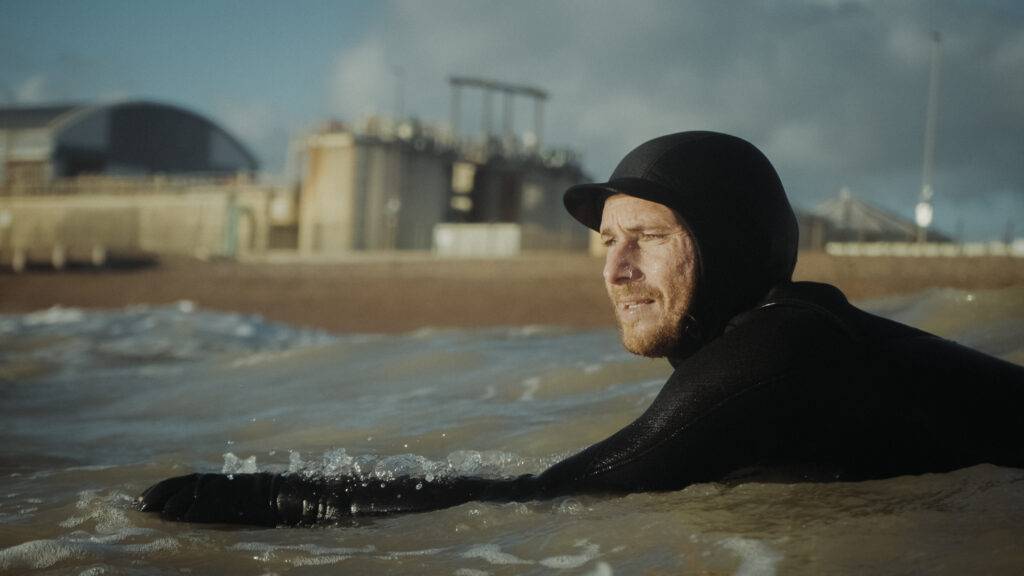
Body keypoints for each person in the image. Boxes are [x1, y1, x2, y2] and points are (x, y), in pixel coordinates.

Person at [137, 131, 1024, 526]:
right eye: (607, 243)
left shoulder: (776, 354)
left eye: (647, 239)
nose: (613, 270)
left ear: (729, 246)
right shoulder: (787, 345)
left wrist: (274, 500)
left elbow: (552, 497)